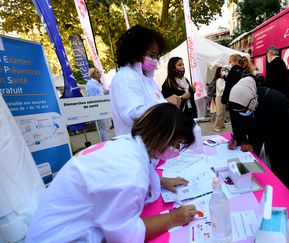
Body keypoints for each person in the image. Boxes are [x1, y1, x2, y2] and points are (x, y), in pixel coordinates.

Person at [26, 103, 198, 242]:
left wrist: (159, 180)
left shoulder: (126, 145)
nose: (176, 152)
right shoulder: (129, 171)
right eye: (177, 145)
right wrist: (173, 218)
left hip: (56, 222)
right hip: (64, 236)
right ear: (162, 137)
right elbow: (126, 237)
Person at [229, 76, 289, 191]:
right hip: (269, 146)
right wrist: (236, 138)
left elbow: (282, 135)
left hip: (287, 149)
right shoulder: (242, 101)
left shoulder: (276, 101)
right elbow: (240, 123)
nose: (244, 113)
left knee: (282, 184)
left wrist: (255, 145)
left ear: (252, 100)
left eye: (245, 109)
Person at [110, 25, 167, 136]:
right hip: (135, 145)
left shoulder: (147, 79)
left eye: (156, 56)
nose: (155, 60)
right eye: (151, 55)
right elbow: (133, 115)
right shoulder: (126, 77)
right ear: (136, 52)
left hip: (153, 143)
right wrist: (167, 108)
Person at [221, 54, 255, 151]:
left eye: (230, 61)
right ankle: (244, 140)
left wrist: (224, 99)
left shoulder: (233, 70)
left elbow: (228, 87)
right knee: (244, 120)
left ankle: (237, 140)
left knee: (236, 122)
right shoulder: (244, 71)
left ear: (234, 61)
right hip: (245, 101)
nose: (229, 63)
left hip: (234, 100)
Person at [86, 67, 110, 141]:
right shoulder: (90, 84)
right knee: (103, 127)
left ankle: (107, 141)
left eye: (99, 72)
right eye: (97, 72)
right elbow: (92, 98)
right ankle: (105, 143)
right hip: (98, 109)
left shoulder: (99, 83)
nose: (100, 73)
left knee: (106, 127)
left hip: (103, 107)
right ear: (93, 75)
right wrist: (103, 93)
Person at [212, 67, 227, 132]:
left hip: (223, 97)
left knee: (223, 112)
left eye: (224, 70)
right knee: (219, 113)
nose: (224, 71)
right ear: (219, 72)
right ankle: (216, 126)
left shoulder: (223, 80)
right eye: (222, 70)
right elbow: (220, 89)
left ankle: (222, 125)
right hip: (219, 97)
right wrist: (226, 86)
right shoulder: (218, 80)